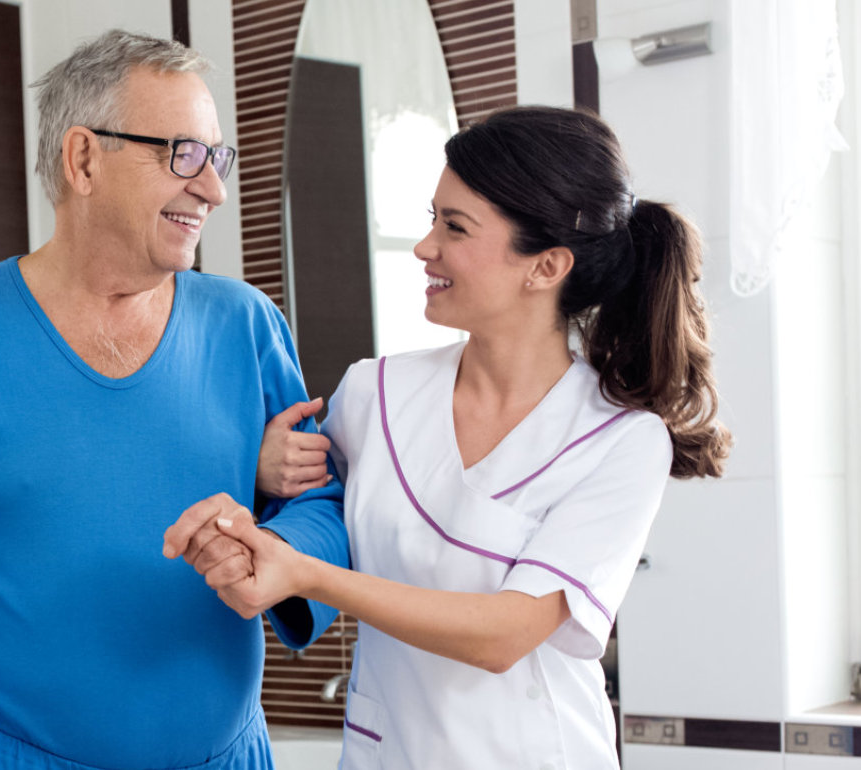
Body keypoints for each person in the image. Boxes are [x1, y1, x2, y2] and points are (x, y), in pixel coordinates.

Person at [167, 105, 732, 768]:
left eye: (455, 227)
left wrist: (309, 577)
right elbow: (308, 508)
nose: (425, 247)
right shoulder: (375, 393)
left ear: (546, 267)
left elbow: (504, 635)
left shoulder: (620, 440)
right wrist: (262, 469)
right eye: (433, 218)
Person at [0, 30, 347, 769]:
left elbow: (324, 509)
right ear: (83, 158)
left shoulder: (247, 324)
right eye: (183, 154)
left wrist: (270, 546)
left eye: (217, 158)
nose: (212, 188)